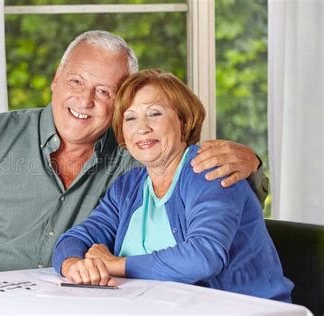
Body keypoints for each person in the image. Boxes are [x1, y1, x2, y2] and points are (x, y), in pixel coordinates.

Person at [0, 31, 267, 285]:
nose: (85, 101)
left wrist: (253, 163)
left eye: (104, 91)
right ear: (57, 78)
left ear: (118, 104)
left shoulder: (132, 158)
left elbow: (201, 181)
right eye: (76, 82)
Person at [52, 69, 293, 302]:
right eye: (131, 118)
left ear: (183, 121)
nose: (142, 128)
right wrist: (74, 264)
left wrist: (115, 264)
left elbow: (204, 256)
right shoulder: (129, 186)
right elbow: (78, 237)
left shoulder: (209, 168)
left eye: (154, 113)